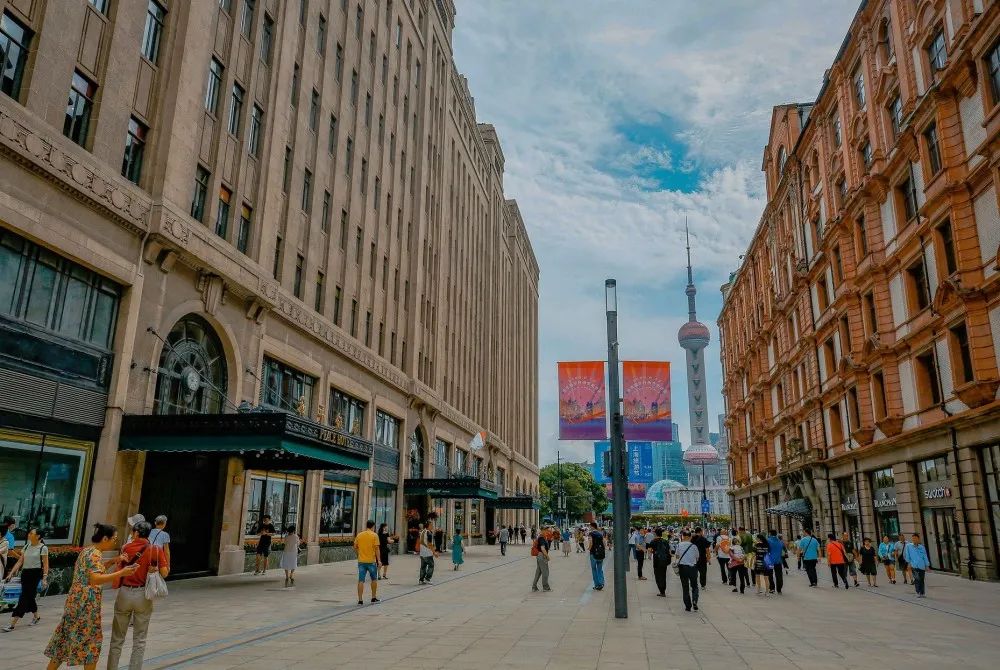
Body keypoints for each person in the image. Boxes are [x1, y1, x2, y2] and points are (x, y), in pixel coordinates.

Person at [44, 523, 139, 670]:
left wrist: (113, 561)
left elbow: (94, 571)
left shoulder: (88, 550)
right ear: (105, 538)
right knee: (91, 643)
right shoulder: (94, 554)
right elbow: (95, 578)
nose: (115, 542)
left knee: (64, 639)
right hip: (86, 605)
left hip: (75, 602)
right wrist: (121, 573)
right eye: (114, 539)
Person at [106, 520, 169, 670]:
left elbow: (120, 567)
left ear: (136, 533)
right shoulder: (155, 549)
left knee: (117, 639)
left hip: (125, 593)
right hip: (143, 595)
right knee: (140, 640)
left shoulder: (125, 548)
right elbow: (165, 573)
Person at [2, 526, 49, 632]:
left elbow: (45, 564)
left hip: (35, 574)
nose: (29, 535)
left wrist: (44, 578)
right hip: (25, 574)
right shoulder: (27, 546)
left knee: (23, 598)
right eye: (29, 533)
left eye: (31, 533)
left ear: (38, 536)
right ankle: (36, 617)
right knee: (29, 597)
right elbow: (20, 561)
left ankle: (12, 623)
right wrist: (11, 573)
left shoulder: (43, 548)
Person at [353, 520, 381, 604]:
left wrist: (359, 554)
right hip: (371, 561)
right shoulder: (374, 535)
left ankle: (360, 600)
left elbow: (355, 546)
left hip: (361, 561)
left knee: (361, 580)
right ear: (373, 526)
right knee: (374, 579)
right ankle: (373, 597)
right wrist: (379, 560)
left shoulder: (359, 535)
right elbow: (377, 549)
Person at [674, 530, 699, 612]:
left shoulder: (679, 545)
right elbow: (697, 557)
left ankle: (688, 606)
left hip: (683, 568)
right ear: (690, 537)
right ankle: (695, 600)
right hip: (692, 568)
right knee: (694, 586)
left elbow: (677, 556)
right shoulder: (694, 546)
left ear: (683, 536)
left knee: (685, 587)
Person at [903, 533, 930, 598]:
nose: (914, 540)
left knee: (921, 579)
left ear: (918, 539)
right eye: (913, 538)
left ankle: (922, 593)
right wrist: (908, 563)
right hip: (914, 565)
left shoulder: (922, 547)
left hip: (921, 565)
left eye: (915, 538)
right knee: (917, 579)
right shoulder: (908, 546)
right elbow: (907, 555)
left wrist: (927, 565)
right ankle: (918, 592)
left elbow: (925, 556)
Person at [647, 528, 671, 597]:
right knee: (663, 575)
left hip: (657, 561)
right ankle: (663, 591)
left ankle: (661, 591)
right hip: (664, 561)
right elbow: (669, 551)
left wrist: (652, 553)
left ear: (655, 534)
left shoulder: (653, 541)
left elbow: (649, 550)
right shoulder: (665, 541)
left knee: (657, 576)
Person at [587, 522, 606, 590]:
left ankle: (597, 584)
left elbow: (591, 543)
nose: (589, 527)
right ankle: (601, 582)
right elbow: (604, 543)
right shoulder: (600, 534)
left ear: (592, 527)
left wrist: (589, 548)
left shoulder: (591, 534)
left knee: (594, 569)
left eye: (590, 526)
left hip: (594, 553)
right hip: (601, 553)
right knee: (600, 569)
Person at [766, 529, 784, 594]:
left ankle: (772, 588)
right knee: (779, 574)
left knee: (770, 574)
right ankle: (779, 589)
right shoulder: (780, 541)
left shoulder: (768, 540)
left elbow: (767, 550)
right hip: (778, 560)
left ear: (770, 533)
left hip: (770, 560)